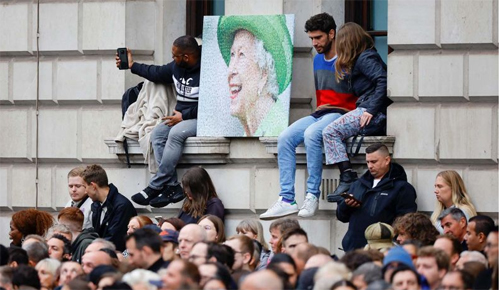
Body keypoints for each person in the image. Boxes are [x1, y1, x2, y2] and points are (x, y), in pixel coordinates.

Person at [259, 13, 357, 220]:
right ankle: (287, 199)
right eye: (311, 38)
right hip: (321, 112)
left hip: (343, 113)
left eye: (319, 37)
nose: (314, 43)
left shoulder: (347, 58)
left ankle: (312, 195)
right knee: (285, 137)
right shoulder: (318, 59)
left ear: (332, 34)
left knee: (312, 134)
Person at [118, 36, 201, 208]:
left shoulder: (207, 71)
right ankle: (172, 185)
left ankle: (155, 185)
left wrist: (184, 116)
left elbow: (214, 105)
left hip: (199, 118)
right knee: (157, 133)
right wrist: (132, 65)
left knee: (177, 134)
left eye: (175, 55)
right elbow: (155, 72)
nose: (173, 59)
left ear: (186, 57)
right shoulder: (176, 67)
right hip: (180, 116)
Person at [322, 22, 393, 202]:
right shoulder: (363, 58)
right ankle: (347, 176)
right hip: (368, 108)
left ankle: (347, 177)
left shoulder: (365, 58)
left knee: (330, 131)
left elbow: (383, 81)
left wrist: (371, 109)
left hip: (371, 110)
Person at [217, 14, 292, 137]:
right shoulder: (250, 132)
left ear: (264, 74)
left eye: (241, 55)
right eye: (232, 54)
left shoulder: (278, 130)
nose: (230, 70)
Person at [336, 143, 417, 251]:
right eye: (368, 162)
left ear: (387, 160)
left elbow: (405, 223)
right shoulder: (358, 184)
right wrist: (346, 205)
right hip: (353, 250)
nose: (370, 166)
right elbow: (341, 216)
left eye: (374, 162)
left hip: (382, 250)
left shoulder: (402, 188)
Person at [81, 164, 137, 251]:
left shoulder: (122, 206)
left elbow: (115, 240)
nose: (85, 191)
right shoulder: (96, 205)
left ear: (93, 186)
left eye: (85, 187)